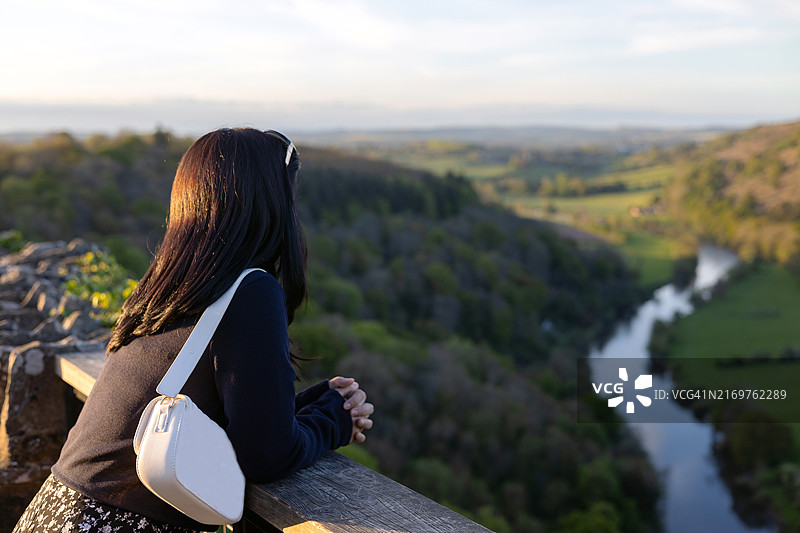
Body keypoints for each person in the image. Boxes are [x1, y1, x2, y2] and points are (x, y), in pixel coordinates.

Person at [13, 128, 374, 532]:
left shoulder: (169, 284)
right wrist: (334, 423)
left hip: (60, 510)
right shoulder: (251, 290)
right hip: (120, 522)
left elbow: (230, 416)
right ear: (273, 203)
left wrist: (311, 407)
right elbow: (267, 456)